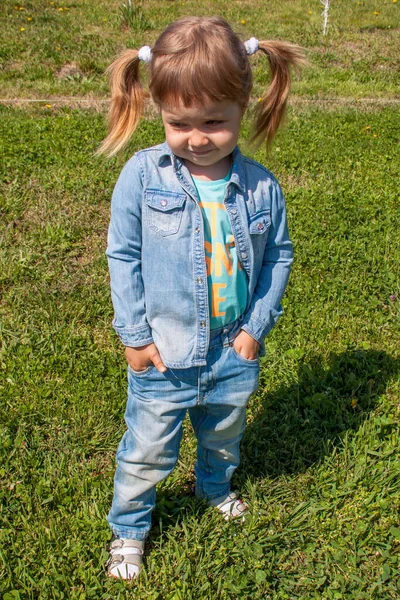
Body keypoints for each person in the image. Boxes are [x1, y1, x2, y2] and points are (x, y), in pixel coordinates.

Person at [99, 16, 304, 579]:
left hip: (230, 352)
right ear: (159, 111)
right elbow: (124, 257)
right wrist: (135, 336)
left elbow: (279, 255)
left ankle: (214, 489)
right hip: (163, 353)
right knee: (146, 452)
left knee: (224, 435)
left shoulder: (261, 186)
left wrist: (253, 329)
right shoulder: (142, 178)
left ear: (244, 106)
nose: (197, 137)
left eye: (214, 122)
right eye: (178, 123)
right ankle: (129, 528)